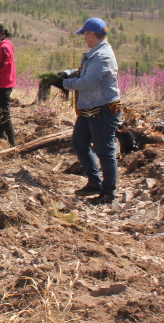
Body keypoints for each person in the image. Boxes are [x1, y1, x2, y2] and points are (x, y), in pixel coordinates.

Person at [55, 18, 122, 206]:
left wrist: (63, 84)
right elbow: (83, 72)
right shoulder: (96, 53)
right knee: (79, 143)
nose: (84, 38)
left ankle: (108, 193)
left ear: (91, 34)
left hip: (103, 109)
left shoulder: (102, 56)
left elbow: (87, 82)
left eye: (85, 34)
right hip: (90, 107)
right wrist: (67, 74)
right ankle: (94, 182)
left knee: (104, 150)